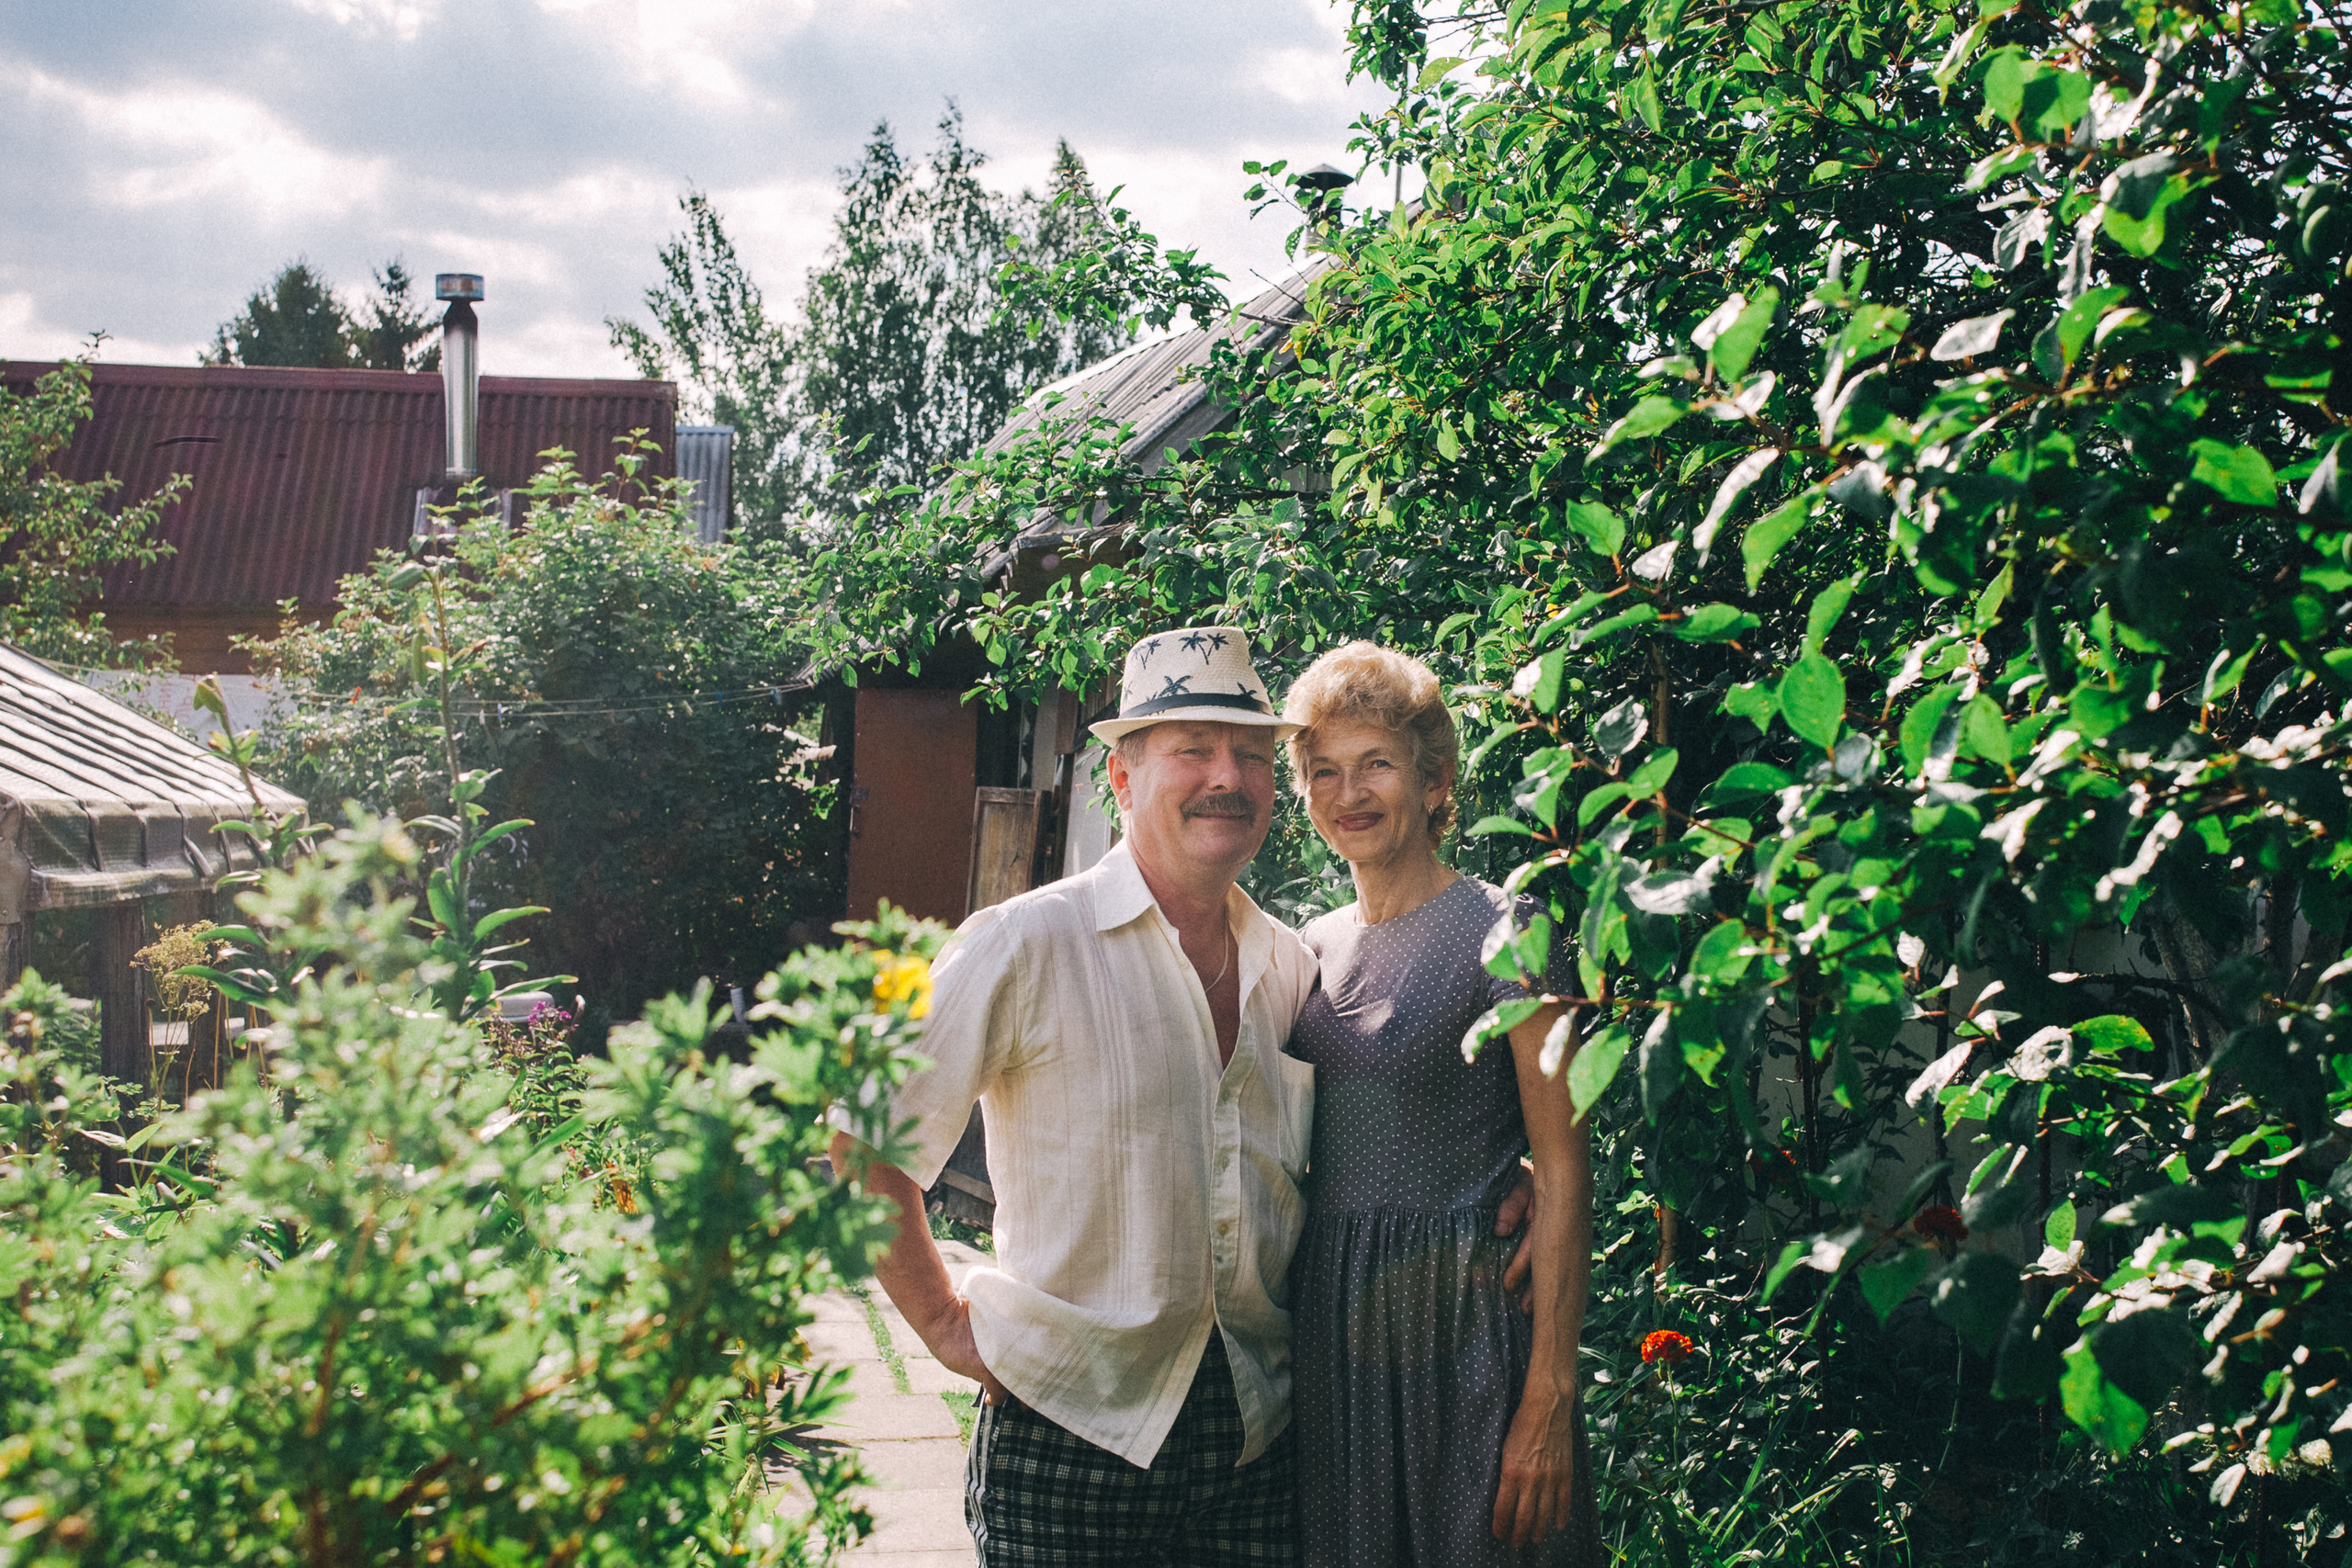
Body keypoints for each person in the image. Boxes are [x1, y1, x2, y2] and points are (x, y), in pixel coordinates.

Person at [829, 626, 1319, 1565]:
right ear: (1123, 776)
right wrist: (943, 1325)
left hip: (1255, 1435)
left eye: (1251, 754)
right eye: (1192, 750)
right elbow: (864, 1146)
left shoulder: (1289, 964)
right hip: (1067, 1419)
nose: (1227, 775)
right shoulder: (1019, 941)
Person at [1281, 640, 1601, 1565]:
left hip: (1470, 1341)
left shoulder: (1510, 931)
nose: (1351, 793)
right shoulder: (1305, 950)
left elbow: (1568, 1164)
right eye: (1325, 771)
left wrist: (1547, 1395)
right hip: (1337, 1338)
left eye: (1376, 762)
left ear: (1432, 780)